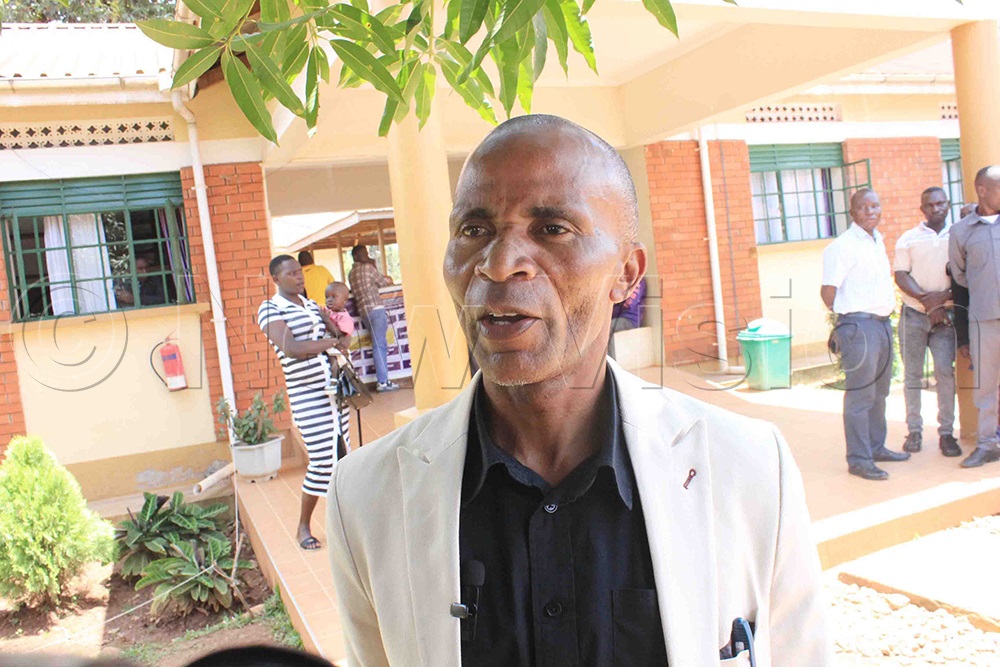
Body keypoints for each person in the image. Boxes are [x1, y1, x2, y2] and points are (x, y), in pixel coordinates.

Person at [327, 115, 831, 666]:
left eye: (552, 229)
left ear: (627, 273)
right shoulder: (367, 497)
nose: (498, 264)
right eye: (473, 230)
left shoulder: (748, 468)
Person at [258, 255, 351, 550]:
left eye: (299, 272)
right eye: (291, 274)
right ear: (276, 279)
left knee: (343, 457)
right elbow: (291, 347)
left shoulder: (311, 305)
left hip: (335, 392)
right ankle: (303, 526)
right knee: (322, 461)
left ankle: (346, 524)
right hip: (307, 395)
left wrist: (332, 323)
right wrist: (328, 344)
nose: (299, 277)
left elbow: (340, 336)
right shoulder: (270, 309)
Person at [821, 189, 910, 481]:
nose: (871, 211)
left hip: (882, 325)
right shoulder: (843, 246)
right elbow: (828, 292)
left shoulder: (876, 241)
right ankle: (859, 459)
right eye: (863, 207)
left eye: (875, 205)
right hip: (859, 328)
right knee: (861, 395)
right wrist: (849, 320)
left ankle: (875, 446)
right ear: (852, 213)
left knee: (880, 392)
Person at [893, 187, 961, 457]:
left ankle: (946, 433)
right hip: (913, 315)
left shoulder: (959, 235)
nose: (936, 209)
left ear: (948, 204)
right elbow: (900, 275)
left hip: (946, 317)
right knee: (912, 375)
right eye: (930, 205)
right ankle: (915, 431)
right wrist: (926, 301)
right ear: (922, 209)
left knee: (945, 373)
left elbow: (965, 276)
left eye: (940, 203)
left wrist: (942, 300)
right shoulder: (908, 239)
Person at [948, 165, 1000, 468]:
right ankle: (987, 445)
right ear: (982, 190)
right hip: (984, 320)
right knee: (986, 387)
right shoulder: (961, 232)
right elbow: (960, 278)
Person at [348, 245, 399, 392]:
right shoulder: (368, 268)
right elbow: (383, 283)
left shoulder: (351, 273)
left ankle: (382, 380)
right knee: (380, 346)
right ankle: (383, 382)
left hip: (364, 312)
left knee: (377, 345)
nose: (367, 256)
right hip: (376, 309)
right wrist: (372, 264)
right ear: (357, 256)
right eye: (364, 254)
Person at [608, 275, 646, 359]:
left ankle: (612, 363)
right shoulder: (624, 283)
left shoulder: (638, 282)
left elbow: (629, 304)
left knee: (608, 328)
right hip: (620, 317)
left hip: (630, 320)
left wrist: (616, 301)